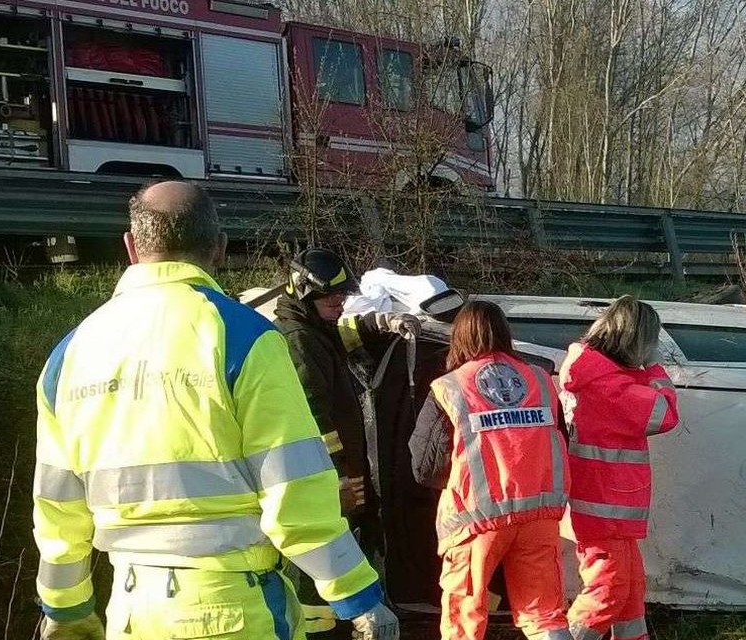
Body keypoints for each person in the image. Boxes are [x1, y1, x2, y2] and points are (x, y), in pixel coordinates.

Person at [32, 181, 399, 640]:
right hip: (233, 608)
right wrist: (358, 595)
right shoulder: (244, 339)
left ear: (130, 246)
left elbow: (56, 504)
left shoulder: (69, 354)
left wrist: (65, 607)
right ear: (220, 248)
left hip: (130, 611)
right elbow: (295, 492)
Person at [273, 247, 420, 638]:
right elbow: (314, 418)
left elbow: (344, 332)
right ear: (305, 293)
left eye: (343, 296)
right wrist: (337, 476)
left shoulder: (314, 328)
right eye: (331, 297)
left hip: (337, 471)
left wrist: (383, 322)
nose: (340, 303)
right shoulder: (297, 341)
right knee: (323, 559)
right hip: (326, 474)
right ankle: (325, 631)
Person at [408, 300, 573, 640]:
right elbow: (561, 442)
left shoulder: (450, 387)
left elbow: (424, 467)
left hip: (476, 522)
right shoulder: (541, 380)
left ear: (460, 338)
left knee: (464, 619)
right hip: (539, 516)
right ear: (505, 334)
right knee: (545, 616)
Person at [559, 295, 680, 640]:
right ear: (637, 340)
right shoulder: (607, 386)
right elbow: (664, 414)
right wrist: (655, 368)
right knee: (609, 590)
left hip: (606, 504)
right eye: (650, 342)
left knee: (628, 591)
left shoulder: (594, 373)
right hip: (604, 505)